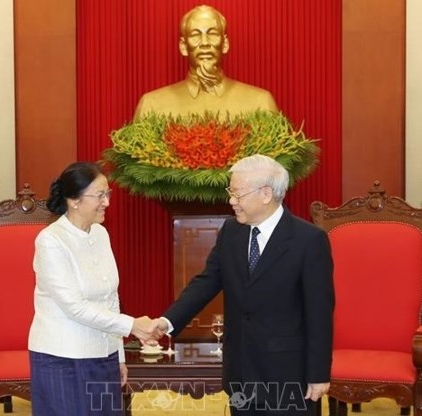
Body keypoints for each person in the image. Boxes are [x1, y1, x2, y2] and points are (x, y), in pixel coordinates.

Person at [157, 154, 334, 415]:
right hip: (240, 369)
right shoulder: (231, 231)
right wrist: (167, 322)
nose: (231, 201)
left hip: (288, 374)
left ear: (265, 194)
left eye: (237, 194)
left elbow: (319, 313)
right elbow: (206, 282)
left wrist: (318, 373)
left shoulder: (308, 240)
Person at [28, 161, 162, 416]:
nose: (107, 202)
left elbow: (111, 297)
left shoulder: (101, 234)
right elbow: (74, 307)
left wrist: (119, 356)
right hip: (62, 358)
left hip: (103, 355)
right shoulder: (51, 241)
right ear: (74, 200)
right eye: (100, 195)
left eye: (107, 194)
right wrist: (132, 325)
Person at [134, 5, 278, 119]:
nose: (204, 43)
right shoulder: (151, 105)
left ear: (225, 44)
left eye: (213, 34)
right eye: (195, 35)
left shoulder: (261, 103)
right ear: (183, 46)